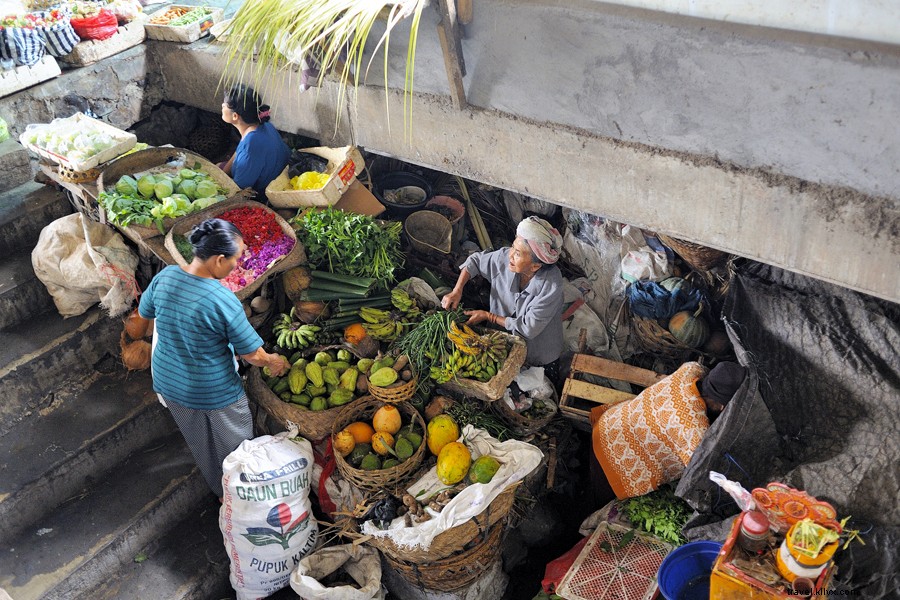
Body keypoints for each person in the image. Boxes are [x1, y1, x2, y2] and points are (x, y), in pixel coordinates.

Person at [138, 219, 290, 499]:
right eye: (235, 258)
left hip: (169, 384)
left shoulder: (166, 276)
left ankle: (219, 493)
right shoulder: (222, 299)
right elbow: (253, 355)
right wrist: (274, 361)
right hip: (213, 391)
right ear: (219, 259)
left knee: (200, 442)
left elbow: (143, 319)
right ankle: (241, 499)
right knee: (238, 449)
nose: (237, 264)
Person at [590, 360, 746, 501]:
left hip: (609, 424)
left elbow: (699, 367)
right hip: (618, 460)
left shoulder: (691, 370)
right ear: (722, 407)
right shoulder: (693, 428)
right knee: (599, 495)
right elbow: (700, 469)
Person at [441, 216, 565, 379]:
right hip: (502, 342)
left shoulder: (551, 286)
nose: (510, 255)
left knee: (542, 389)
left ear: (535, 266)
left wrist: (488, 316)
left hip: (539, 351)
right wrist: (457, 290)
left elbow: (528, 328)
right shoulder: (505, 258)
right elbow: (476, 261)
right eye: (513, 247)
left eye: (518, 254)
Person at [219, 84, 290, 201]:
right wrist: (222, 172)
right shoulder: (263, 125)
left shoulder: (251, 145)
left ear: (235, 116)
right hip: (274, 171)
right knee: (218, 168)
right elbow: (238, 152)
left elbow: (240, 189)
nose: (222, 105)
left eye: (225, 105)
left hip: (264, 193)